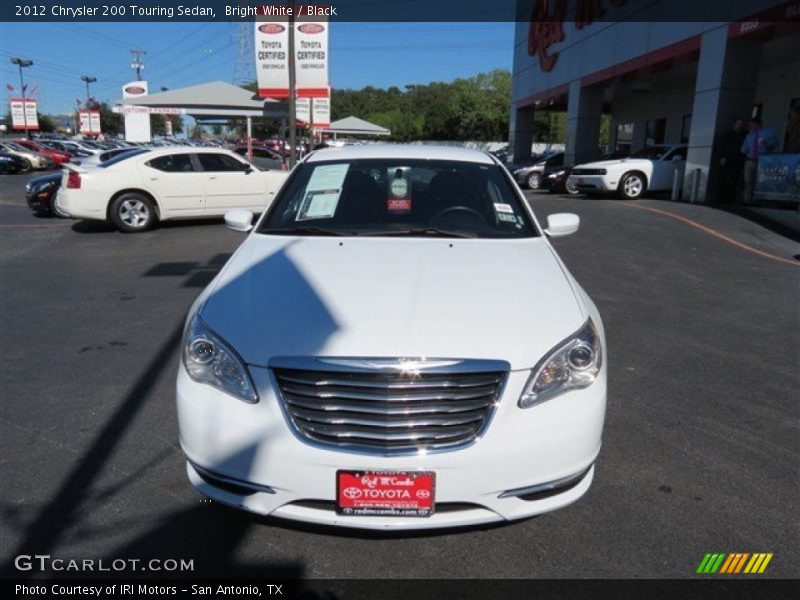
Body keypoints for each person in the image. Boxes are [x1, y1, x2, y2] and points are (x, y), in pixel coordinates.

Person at [741, 117, 778, 204]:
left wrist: (765, 144)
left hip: (762, 161)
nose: (750, 126)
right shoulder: (749, 135)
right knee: (747, 181)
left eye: (751, 124)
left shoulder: (768, 132)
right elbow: (744, 149)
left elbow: (774, 144)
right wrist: (744, 148)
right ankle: (747, 201)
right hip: (749, 161)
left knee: (759, 182)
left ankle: (757, 200)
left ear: (757, 124)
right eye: (749, 125)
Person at [717, 118, 746, 203]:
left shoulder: (744, 135)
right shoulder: (727, 135)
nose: (740, 126)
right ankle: (720, 199)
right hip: (726, 161)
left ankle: (730, 200)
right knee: (723, 180)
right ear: (734, 125)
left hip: (737, 162)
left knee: (734, 182)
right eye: (738, 124)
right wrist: (721, 157)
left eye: (741, 124)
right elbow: (721, 147)